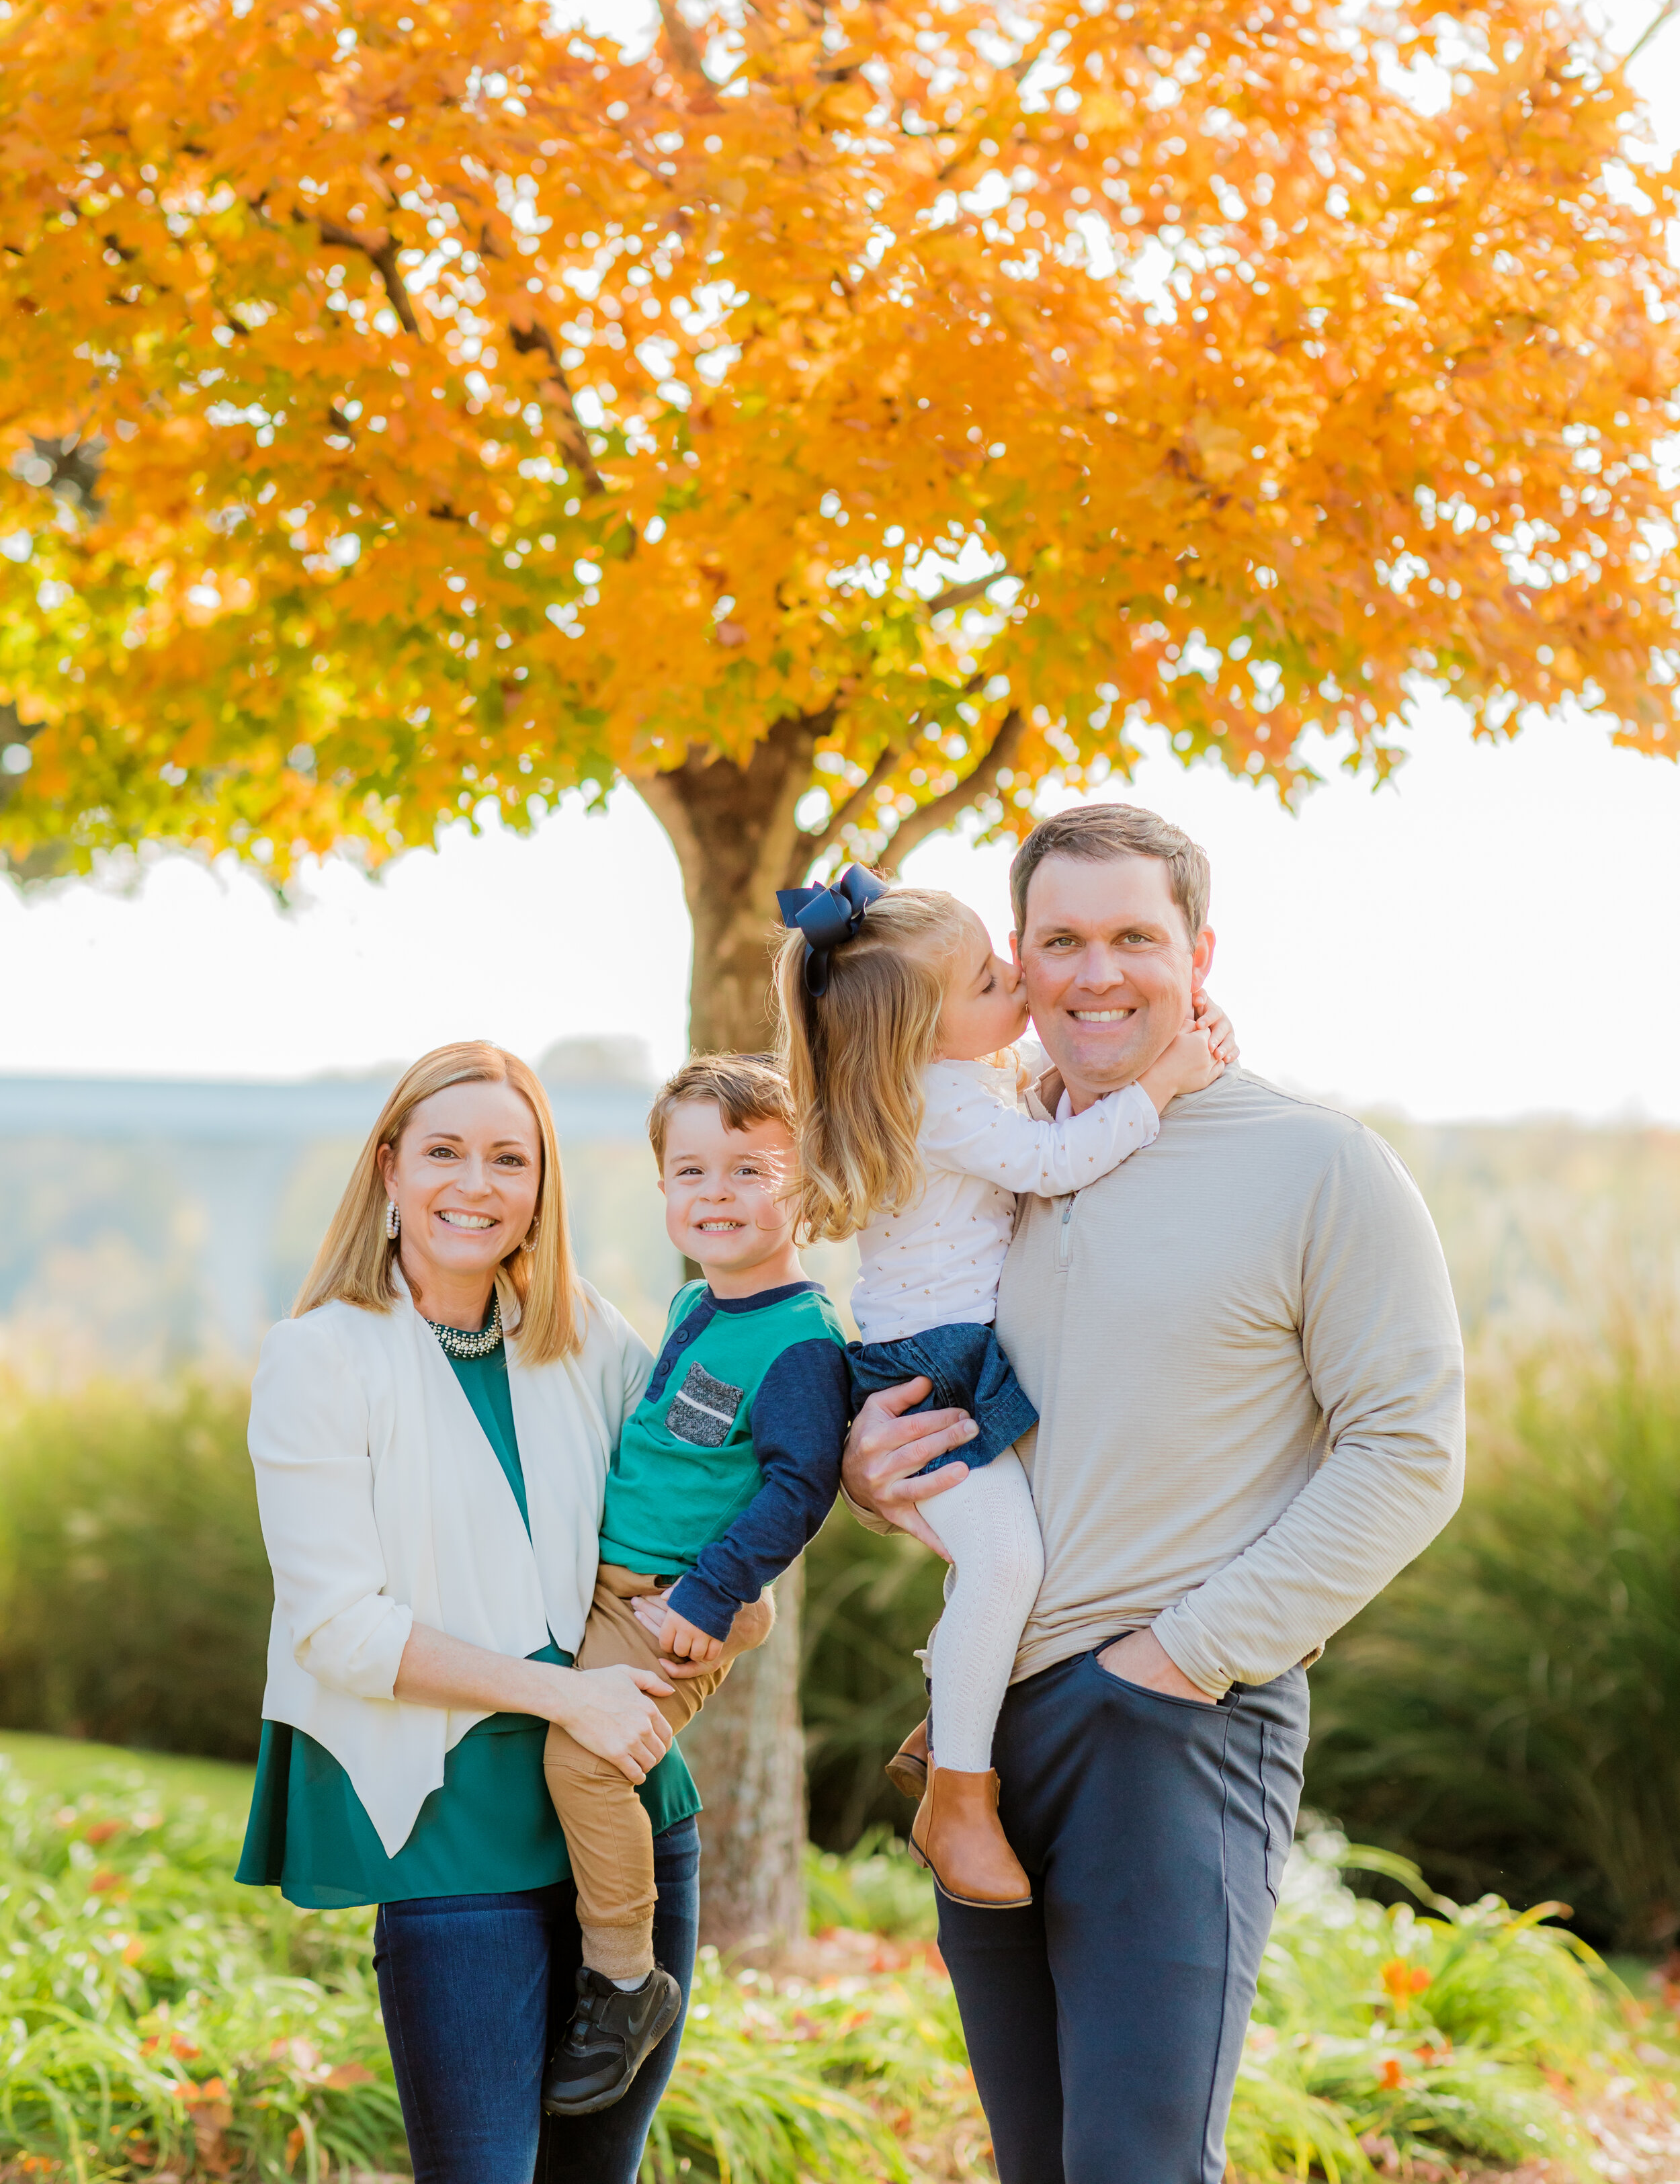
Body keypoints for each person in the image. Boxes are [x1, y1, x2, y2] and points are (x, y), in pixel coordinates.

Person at [841, 803, 1466, 2184]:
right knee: (1043, 2164)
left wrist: (1179, 1658)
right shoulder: (987, 1162)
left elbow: (1408, 1450)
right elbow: (950, 1390)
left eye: (1134, 936)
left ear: (1198, 954)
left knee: (1133, 2164)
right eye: (1059, 941)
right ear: (1014, 960)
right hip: (982, 1746)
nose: (1095, 973)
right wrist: (868, 1470)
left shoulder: (1316, 1165)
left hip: (1175, 1728)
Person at [237, 1041, 772, 2184]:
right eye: (443, 1151)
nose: (475, 1184)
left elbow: (712, 1461)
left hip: (626, 1814)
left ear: (541, 1188)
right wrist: (562, 1692)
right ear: (388, 1167)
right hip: (453, 1819)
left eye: (507, 1158)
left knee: (599, 2173)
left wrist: (766, 1554)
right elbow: (340, 1627)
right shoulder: (318, 1357)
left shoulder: (579, 1330)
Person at [773, 866, 1233, 1908]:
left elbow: (1035, 1089)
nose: (1019, 983)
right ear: (925, 1031)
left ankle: (955, 1713)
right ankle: (958, 1796)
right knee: (1009, 1556)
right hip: (930, 1372)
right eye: (991, 978)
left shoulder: (945, 1080)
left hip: (947, 1354)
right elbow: (1059, 1158)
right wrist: (1163, 1084)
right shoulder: (940, 1099)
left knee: (1021, 1551)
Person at [538, 1054, 851, 2111]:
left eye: (750, 1170)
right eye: (692, 1171)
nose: (717, 1193)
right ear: (664, 1188)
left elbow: (801, 1487)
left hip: (668, 1609)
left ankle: (625, 1979)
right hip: (609, 1582)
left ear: (805, 1186)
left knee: (584, 1765)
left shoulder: (805, 1341)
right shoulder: (692, 1303)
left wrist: (715, 1599)